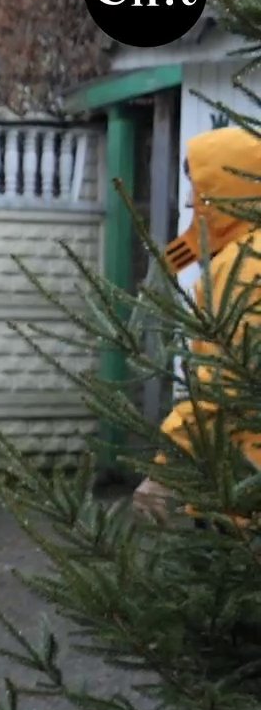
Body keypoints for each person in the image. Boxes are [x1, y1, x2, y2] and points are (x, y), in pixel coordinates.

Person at [135, 124, 261, 519]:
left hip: (245, 480)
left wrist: (166, 468)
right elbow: (192, 243)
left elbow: (223, 382)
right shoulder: (244, 244)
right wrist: (164, 267)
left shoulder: (244, 268)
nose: (190, 203)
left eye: (200, 195)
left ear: (227, 195)